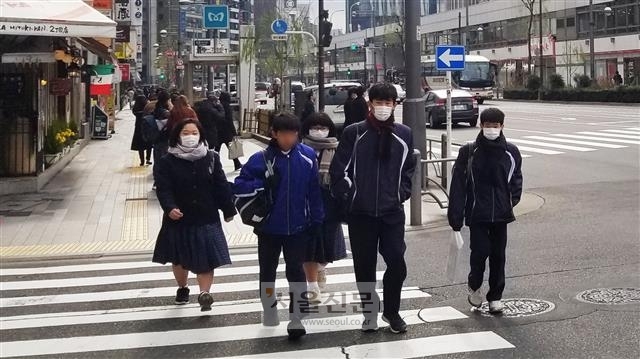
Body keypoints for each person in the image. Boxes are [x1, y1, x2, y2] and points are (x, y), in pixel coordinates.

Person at [330, 83, 416, 334]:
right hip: (361, 214)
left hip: (392, 212)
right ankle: (369, 313)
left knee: (397, 264)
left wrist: (402, 192)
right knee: (364, 267)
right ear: (370, 104)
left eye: (388, 103)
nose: (383, 107)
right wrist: (350, 195)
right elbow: (339, 171)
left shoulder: (404, 133)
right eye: (379, 102)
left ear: (394, 105)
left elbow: (409, 168)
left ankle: (392, 311)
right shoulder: (354, 133)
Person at [233, 113, 324, 340]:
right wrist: (261, 183)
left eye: (293, 134)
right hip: (268, 228)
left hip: (298, 227)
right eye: (284, 134)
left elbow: (314, 190)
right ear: (274, 133)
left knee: (296, 271)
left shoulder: (308, 156)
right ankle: (269, 307)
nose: (289, 139)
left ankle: (296, 318)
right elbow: (240, 186)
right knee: (267, 271)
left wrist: (317, 219)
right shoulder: (260, 159)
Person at [153, 118, 237, 311]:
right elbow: (163, 188)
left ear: (201, 135)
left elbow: (221, 185)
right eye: (185, 133)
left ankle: (204, 293)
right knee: (180, 259)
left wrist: (228, 209)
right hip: (179, 217)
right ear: (177, 136)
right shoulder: (167, 161)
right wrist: (169, 207)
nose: (190, 137)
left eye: (194, 133)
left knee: (206, 258)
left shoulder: (211, 158)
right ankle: (183, 288)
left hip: (206, 215)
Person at [448, 108, 522, 315]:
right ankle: (475, 283)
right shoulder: (469, 152)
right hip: (477, 213)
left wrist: (510, 201)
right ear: (481, 125)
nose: (492, 129)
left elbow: (516, 180)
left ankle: (495, 297)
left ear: (502, 126)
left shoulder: (511, 152)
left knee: (499, 256)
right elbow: (458, 186)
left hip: (501, 214)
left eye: (495, 126)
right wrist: (456, 217)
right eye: (488, 125)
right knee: (479, 252)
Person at [301, 113, 348, 302]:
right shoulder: (300, 149)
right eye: (315, 127)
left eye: (323, 127)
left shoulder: (338, 150)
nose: (319, 131)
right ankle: (312, 286)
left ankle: (321, 268)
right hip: (306, 206)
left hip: (331, 205)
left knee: (327, 247)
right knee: (309, 248)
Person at [218, 92, 243, 171]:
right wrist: (234, 132)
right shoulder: (227, 107)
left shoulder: (218, 106)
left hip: (218, 131)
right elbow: (229, 120)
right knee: (232, 148)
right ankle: (237, 164)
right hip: (227, 131)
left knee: (216, 150)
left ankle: (215, 165)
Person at [151, 90, 172, 186]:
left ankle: (157, 181)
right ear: (167, 100)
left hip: (157, 139)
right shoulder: (165, 112)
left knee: (157, 160)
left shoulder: (156, 109)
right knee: (163, 161)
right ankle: (161, 182)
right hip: (164, 140)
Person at [131, 95, 152, 166]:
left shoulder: (135, 109)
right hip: (147, 126)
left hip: (138, 128)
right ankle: (148, 159)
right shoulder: (147, 108)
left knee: (140, 145)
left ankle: (142, 161)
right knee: (149, 143)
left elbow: (134, 113)